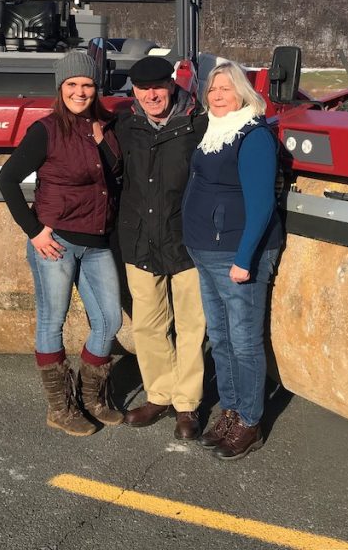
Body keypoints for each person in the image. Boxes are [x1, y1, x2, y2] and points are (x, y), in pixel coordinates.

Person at [0, 52, 124, 436]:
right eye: (72, 85)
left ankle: (90, 398)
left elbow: (113, 178)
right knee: (52, 321)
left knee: (109, 321)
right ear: (60, 88)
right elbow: (7, 179)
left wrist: (104, 143)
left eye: (87, 85)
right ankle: (60, 407)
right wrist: (34, 231)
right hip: (58, 242)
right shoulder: (46, 130)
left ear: (95, 88)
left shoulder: (105, 127)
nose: (80, 91)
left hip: (98, 240)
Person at [182, 61, 282, 460]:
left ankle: (251, 421)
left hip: (236, 254)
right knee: (220, 338)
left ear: (242, 92)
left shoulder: (253, 135)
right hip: (205, 251)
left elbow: (261, 204)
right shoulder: (213, 131)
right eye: (212, 89)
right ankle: (231, 409)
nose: (217, 95)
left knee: (243, 342)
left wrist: (245, 258)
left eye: (226, 88)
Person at [116, 56, 209, 440]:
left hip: (186, 239)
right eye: (143, 88)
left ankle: (186, 404)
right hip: (139, 239)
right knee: (149, 326)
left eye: (157, 87)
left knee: (191, 326)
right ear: (134, 90)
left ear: (171, 85)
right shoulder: (125, 125)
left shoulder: (198, 125)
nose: (151, 95)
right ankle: (159, 394)